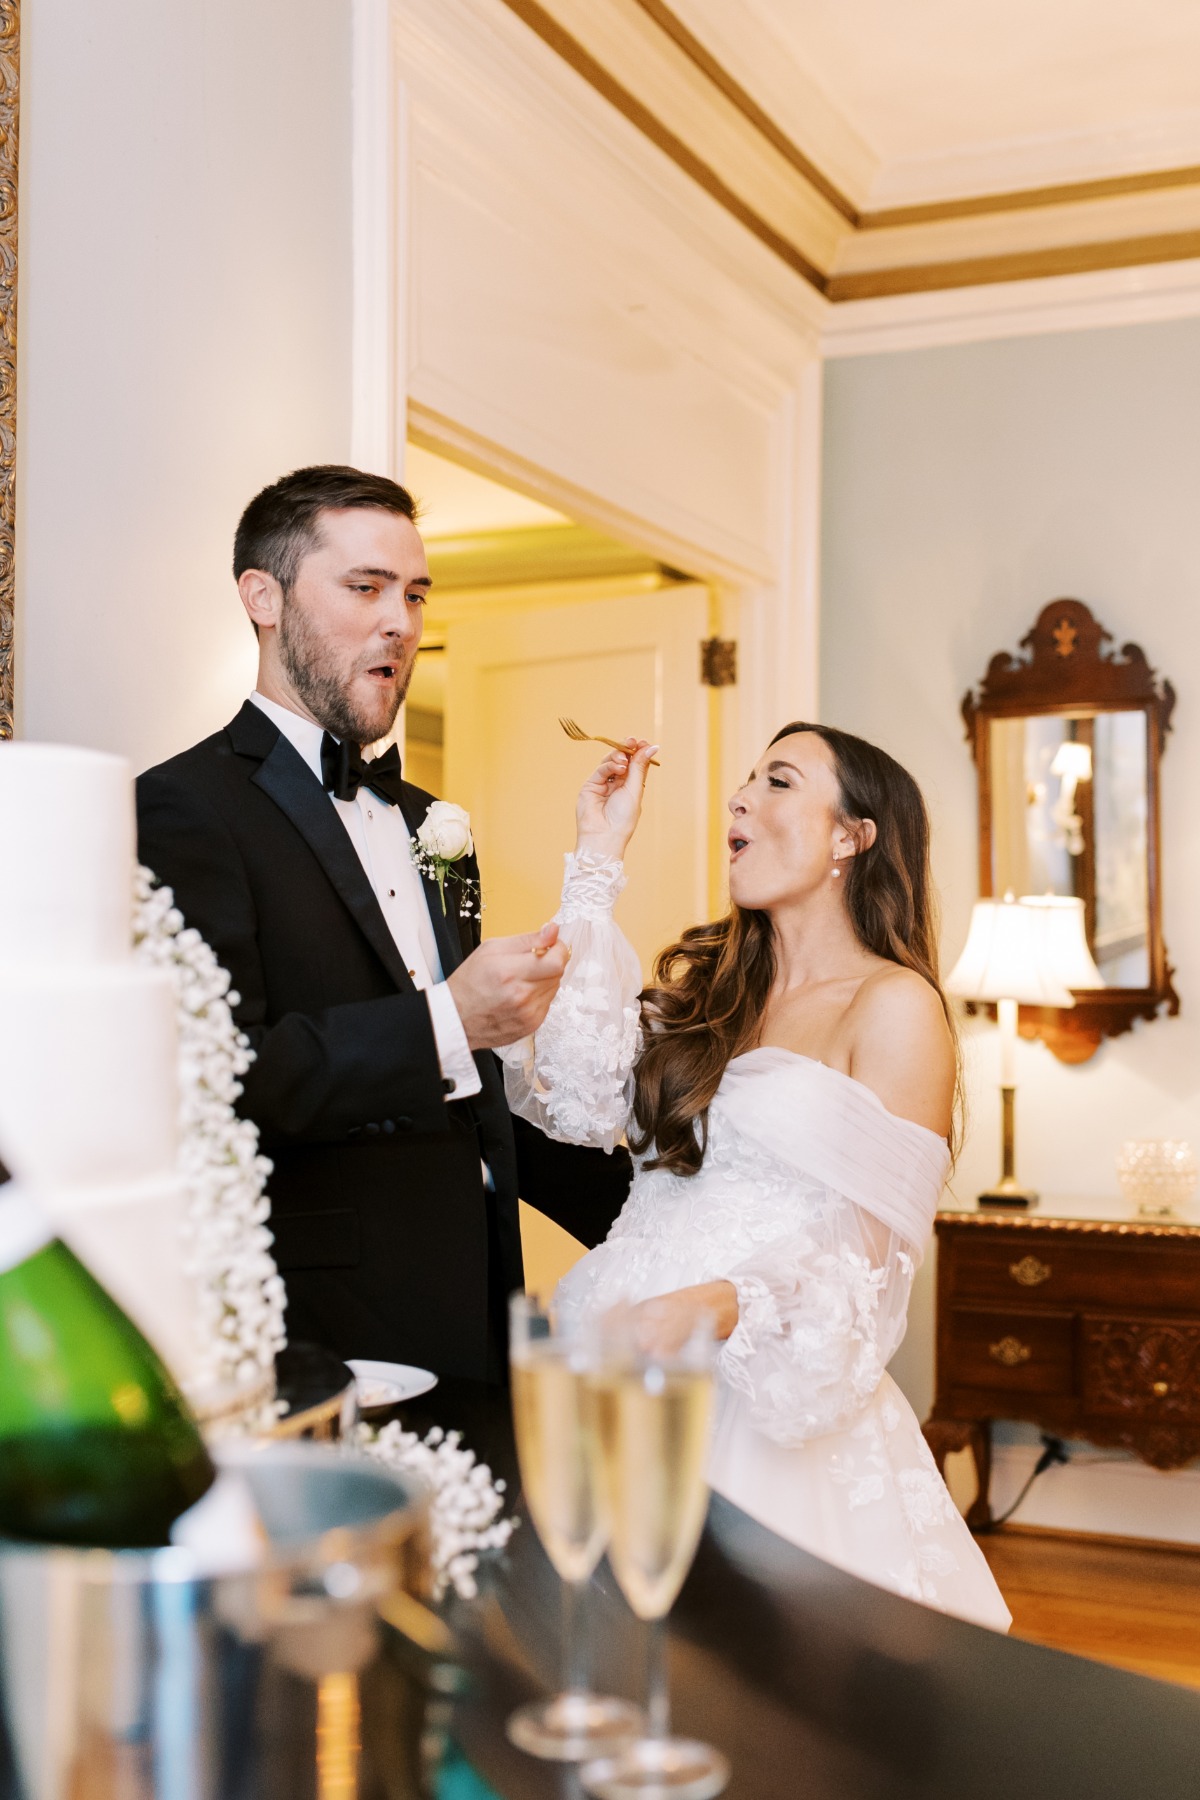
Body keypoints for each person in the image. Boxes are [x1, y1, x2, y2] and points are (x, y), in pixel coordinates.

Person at [501, 722, 1011, 1630]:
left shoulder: (894, 1007)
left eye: (777, 782)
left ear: (852, 837)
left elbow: (869, 1267)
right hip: (612, 1359)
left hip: (755, 1396)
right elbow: (574, 1093)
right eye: (744, 783)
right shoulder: (709, 999)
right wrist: (596, 855)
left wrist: (716, 1304)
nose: (738, 799)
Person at [137, 465, 632, 1382]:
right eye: (364, 588)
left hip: (485, 1302)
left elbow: (468, 1088)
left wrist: (662, 1215)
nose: (400, 622)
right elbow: (222, 1080)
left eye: (413, 594)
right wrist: (452, 1017)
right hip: (325, 1326)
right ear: (263, 596)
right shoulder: (182, 809)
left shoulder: (431, 821)